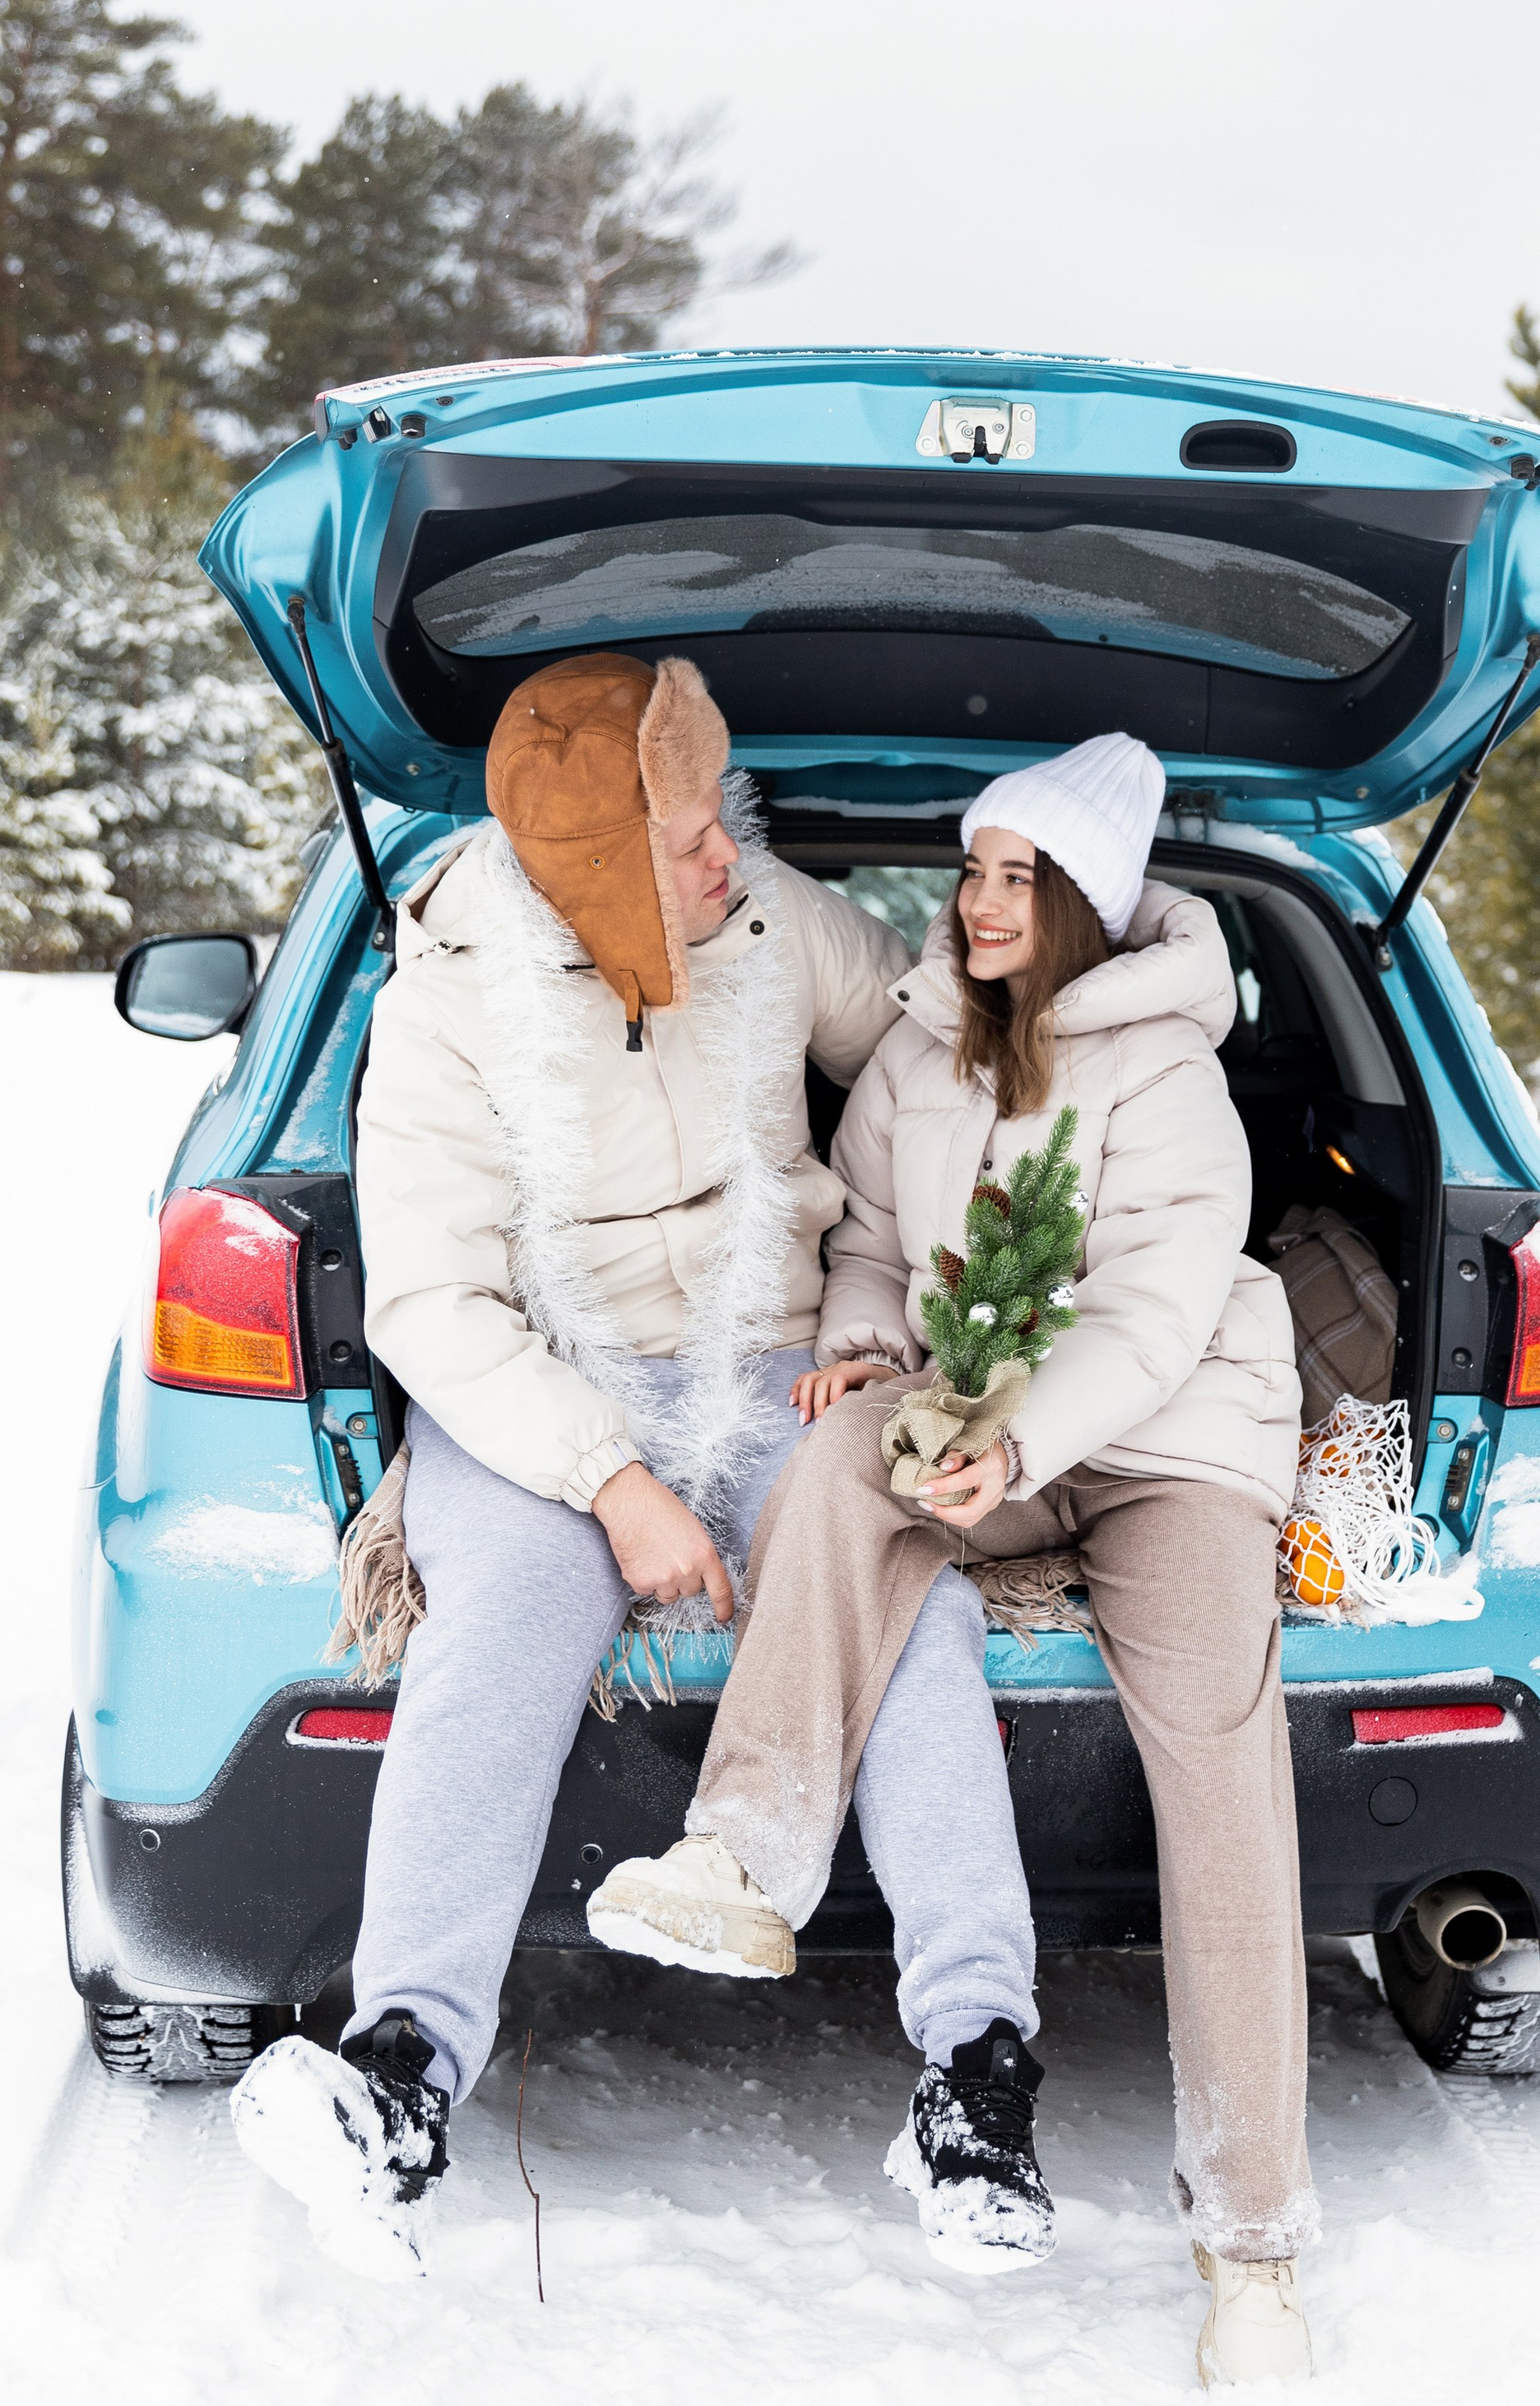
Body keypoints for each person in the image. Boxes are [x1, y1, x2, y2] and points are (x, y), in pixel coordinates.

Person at [230, 652, 1029, 2279]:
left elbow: (933, 1030)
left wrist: (940, 1229)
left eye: (722, 814)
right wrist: (612, 1479)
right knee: (499, 1622)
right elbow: (435, 1306)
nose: (730, 852)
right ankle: (401, 2073)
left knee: (909, 1610)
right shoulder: (449, 1005)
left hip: (779, 1358)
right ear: (593, 860)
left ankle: (980, 2066)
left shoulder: (766, 920)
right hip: (543, 1387)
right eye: (685, 836)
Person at [593, 732, 1319, 2386]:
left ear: (1087, 904)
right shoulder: (926, 1043)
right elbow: (861, 1235)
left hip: (1163, 1438)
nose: (980, 903)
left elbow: (1153, 1313)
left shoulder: (1169, 1073)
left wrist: (1020, 1440)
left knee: (1222, 1773)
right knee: (839, 1457)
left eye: (1019, 880)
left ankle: (1254, 2246)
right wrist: (862, 1344)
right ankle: (748, 1854)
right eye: (976, 869)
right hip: (972, 1407)